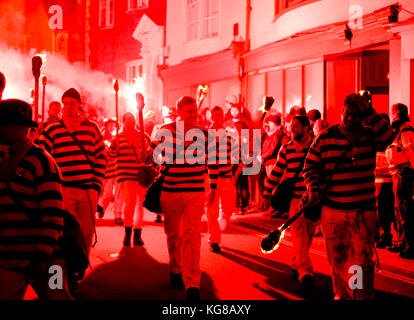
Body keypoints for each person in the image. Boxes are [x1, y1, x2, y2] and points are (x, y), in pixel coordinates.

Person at [303, 93, 393, 300]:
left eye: (356, 115)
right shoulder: (325, 137)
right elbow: (310, 166)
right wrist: (314, 187)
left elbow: (389, 138)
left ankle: (360, 295)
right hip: (334, 211)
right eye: (347, 113)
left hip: (363, 212)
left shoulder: (370, 136)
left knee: (362, 260)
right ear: (341, 112)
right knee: (338, 259)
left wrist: (370, 111)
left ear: (363, 117)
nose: (350, 118)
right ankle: (343, 294)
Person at [147, 96, 218, 301]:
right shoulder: (164, 130)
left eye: (195, 111)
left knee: (192, 235)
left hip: (195, 191)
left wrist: (213, 187)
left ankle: (192, 281)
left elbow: (212, 161)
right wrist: (149, 160)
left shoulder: (204, 133)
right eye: (189, 112)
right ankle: (175, 267)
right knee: (173, 235)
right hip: (171, 189)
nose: (193, 115)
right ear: (179, 112)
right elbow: (150, 157)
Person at [0, 99, 72, 300]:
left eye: (6, 123)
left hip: (48, 261)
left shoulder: (42, 162)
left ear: (22, 128)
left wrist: (41, 256)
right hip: (7, 261)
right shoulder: (2, 158)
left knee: (57, 297)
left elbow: (54, 215)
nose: (1, 128)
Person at [39, 88, 106, 258]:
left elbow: (101, 157)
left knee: (87, 231)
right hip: (64, 190)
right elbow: (42, 158)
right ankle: (70, 266)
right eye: (66, 103)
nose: (68, 106)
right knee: (67, 231)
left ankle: (81, 261)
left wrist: (96, 185)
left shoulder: (92, 128)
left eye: (72, 103)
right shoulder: (52, 129)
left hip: (88, 189)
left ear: (79, 105)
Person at [262, 115, 317, 293]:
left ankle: (296, 263)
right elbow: (277, 171)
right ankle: (305, 272)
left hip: (313, 199)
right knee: (300, 235)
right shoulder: (286, 149)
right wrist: (266, 193)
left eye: (295, 127)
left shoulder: (316, 147)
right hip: (295, 199)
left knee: (307, 235)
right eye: (291, 126)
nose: (291, 129)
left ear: (306, 128)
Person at [108, 112, 151, 246]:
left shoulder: (142, 136)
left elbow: (149, 156)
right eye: (128, 120)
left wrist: (144, 154)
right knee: (130, 204)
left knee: (140, 205)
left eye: (132, 120)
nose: (131, 122)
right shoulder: (118, 138)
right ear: (123, 122)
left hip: (141, 175)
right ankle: (128, 233)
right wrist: (113, 146)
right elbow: (110, 155)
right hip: (126, 175)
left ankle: (137, 233)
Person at [206, 106, 237, 253]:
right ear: (211, 117)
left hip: (226, 177)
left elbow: (231, 158)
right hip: (211, 177)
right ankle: (214, 240)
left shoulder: (228, 135)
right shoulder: (206, 135)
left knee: (227, 209)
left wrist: (231, 176)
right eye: (215, 115)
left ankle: (217, 230)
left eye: (220, 115)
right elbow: (209, 159)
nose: (218, 118)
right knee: (212, 210)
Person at [386, 103, 414, 259]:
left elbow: (411, 151)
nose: (390, 117)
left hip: (404, 174)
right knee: (399, 209)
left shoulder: (406, 131)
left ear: (398, 115)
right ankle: (403, 242)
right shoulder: (399, 131)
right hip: (398, 174)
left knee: (405, 210)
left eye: (392, 114)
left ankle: (410, 245)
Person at [375, 114, 396, 249]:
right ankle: (384, 236)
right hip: (386, 179)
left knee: (383, 211)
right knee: (385, 211)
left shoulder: (383, 140)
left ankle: (385, 237)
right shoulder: (389, 138)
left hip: (383, 179)